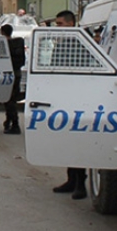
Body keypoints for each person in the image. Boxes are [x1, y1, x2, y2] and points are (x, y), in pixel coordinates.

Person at [51, 10, 88, 200]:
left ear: (71, 23)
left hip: (79, 98)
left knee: (78, 143)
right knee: (67, 142)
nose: (57, 28)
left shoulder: (81, 42)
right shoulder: (61, 44)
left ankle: (81, 183)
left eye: (60, 24)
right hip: (64, 98)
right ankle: (71, 179)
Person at [0, 24, 25, 135]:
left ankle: (14, 124)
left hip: (7, 75)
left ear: (2, 32)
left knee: (9, 101)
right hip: (16, 74)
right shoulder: (18, 43)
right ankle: (9, 121)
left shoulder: (4, 45)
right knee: (11, 100)